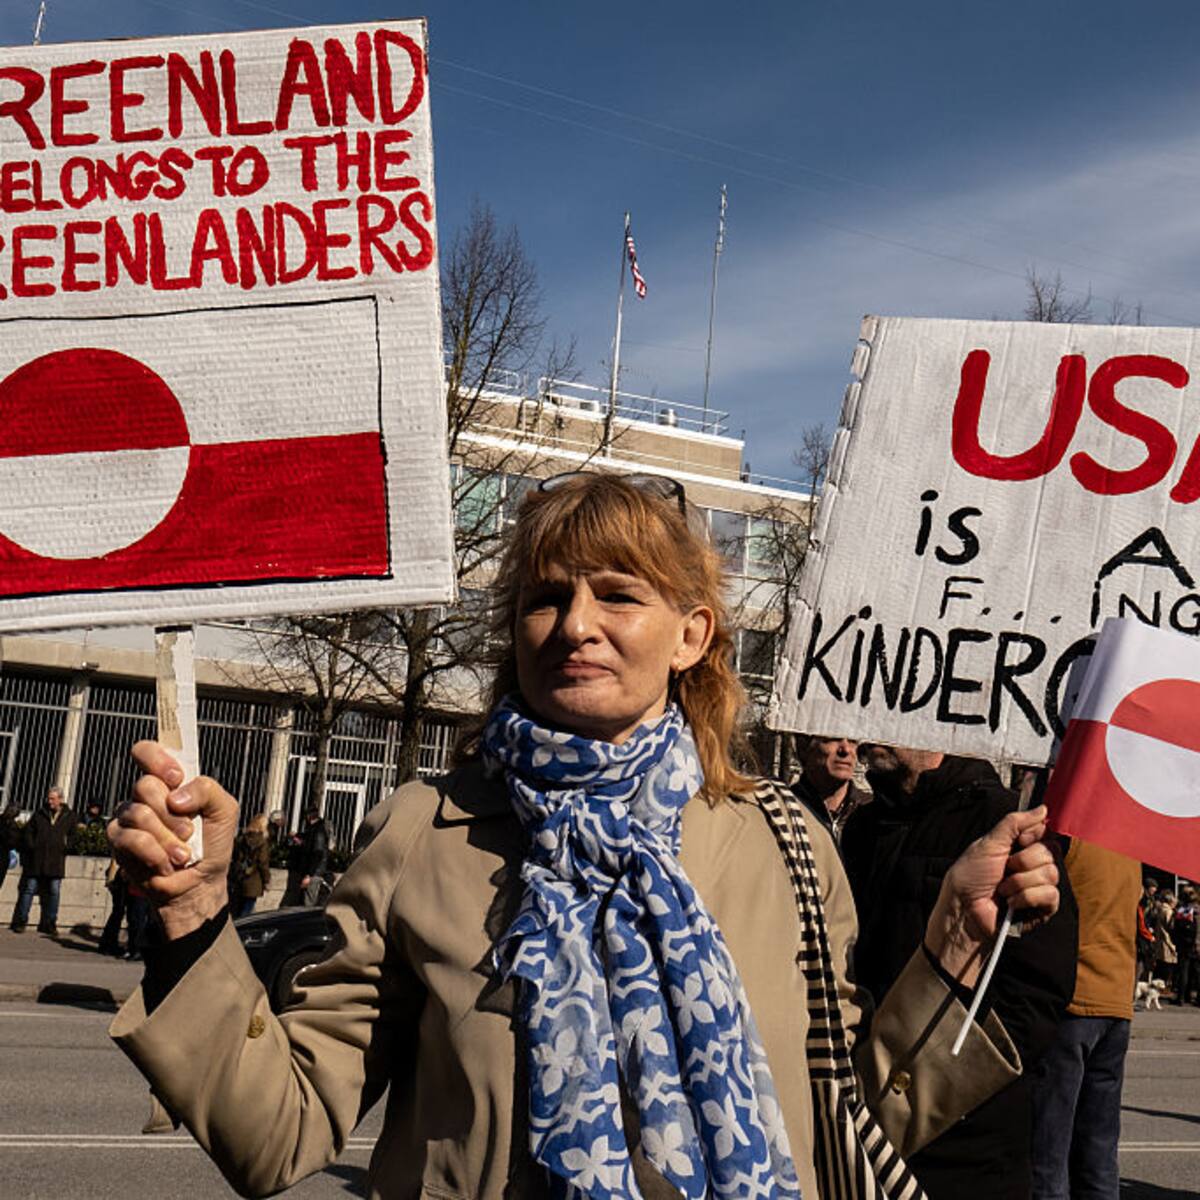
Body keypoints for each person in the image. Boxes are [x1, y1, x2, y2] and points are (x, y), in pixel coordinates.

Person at [106, 472, 1061, 1199]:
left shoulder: (788, 844)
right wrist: (195, 921)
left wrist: (951, 950)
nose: (575, 626)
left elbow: (849, 1126)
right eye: (545, 597)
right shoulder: (423, 833)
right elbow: (279, 1134)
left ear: (691, 636)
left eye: (617, 594)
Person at [840, 745, 1078, 1200]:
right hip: (865, 1123)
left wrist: (952, 1088)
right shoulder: (863, 827)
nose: (864, 736)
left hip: (967, 1151)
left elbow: (1037, 992)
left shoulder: (1008, 821)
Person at [1030, 838, 1141, 1200]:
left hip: (1072, 999)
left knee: (1049, 1149)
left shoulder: (1067, 836)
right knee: (1099, 1150)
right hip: (1116, 1000)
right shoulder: (1130, 850)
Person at [10, 785, 78, 934]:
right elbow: (28, 832)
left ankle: (50, 923)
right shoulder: (39, 813)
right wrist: (32, 846)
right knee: (28, 890)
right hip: (37, 860)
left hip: (56, 861)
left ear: (60, 799)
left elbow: (74, 835)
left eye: (52, 799)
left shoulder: (70, 816)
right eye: (48, 798)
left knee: (54, 892)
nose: (49, 801)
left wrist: (65, 846)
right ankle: (20, 921)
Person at [790, 734, 867, 843]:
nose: (846, 749)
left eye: (853, 741)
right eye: (833, 738)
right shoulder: (784, 807)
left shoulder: (874, 812)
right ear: (802, 747)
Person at [280, 805, 328, 908]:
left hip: (313, 873)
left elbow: (317, 853)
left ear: (309, 816)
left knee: (308, 903)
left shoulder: (318, 831)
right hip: (309, 871)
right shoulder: (313, 829)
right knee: (303, 902)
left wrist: (309, 875)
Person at [229, 813, 272, 917]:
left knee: (236, 909)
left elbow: (234, 856)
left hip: (239, 877)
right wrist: (267, 880)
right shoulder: (262, 842)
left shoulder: (241, 839)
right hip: (254, 879)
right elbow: (263, 862)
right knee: (247, 911)